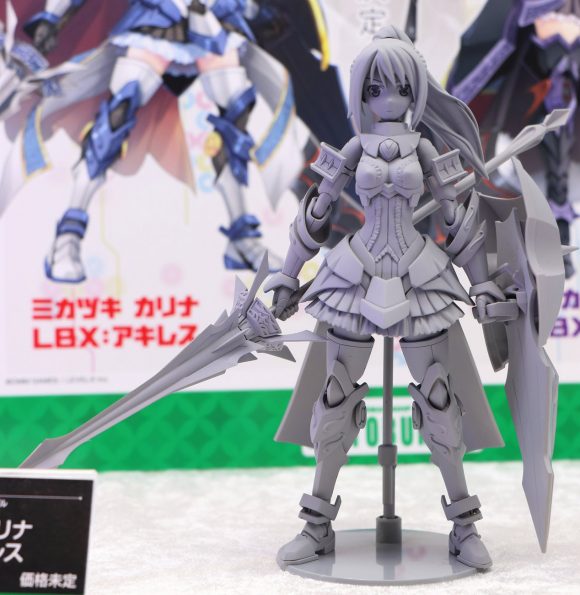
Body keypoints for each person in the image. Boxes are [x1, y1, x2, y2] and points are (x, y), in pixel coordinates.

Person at [267, 25, 508, 570]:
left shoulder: (425, 147)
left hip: (419, 273)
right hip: (354, 273)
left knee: (440, 401)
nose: (388, 99)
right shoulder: (354, 147)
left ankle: (464, 526)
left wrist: (482, 282)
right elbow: (316, 213)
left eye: (400, 88)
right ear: (361, 93)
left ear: (416, 91)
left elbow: (459, 222)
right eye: (375, 89)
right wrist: (287, 274)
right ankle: (316, 524)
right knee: (334, 398)